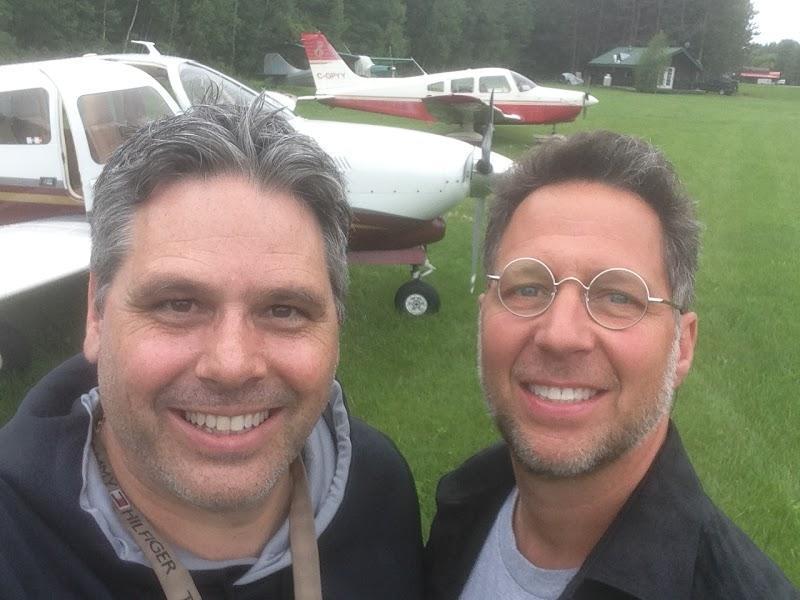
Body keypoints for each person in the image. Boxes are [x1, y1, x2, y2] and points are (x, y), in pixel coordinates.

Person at [0, 100, 424, 599]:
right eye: (178, 304)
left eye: (284, 310)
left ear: (336, 324)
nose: (231, 365)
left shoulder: (377, 486)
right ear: (96, 313)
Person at [425, 131, 798, 599]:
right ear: (484, 318)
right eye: (528, 288)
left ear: (682, 347)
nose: (560, 335)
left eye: (618, 297)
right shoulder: (462, 503)